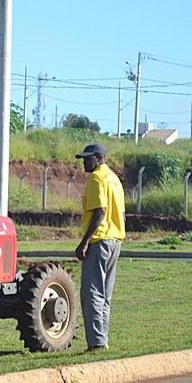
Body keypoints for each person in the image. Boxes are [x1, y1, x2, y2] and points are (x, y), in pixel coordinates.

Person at [74, 143, 126, 352]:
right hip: (115, 239)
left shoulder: (96, 178)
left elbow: (100, 212)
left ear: (99, 158)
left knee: (92, 292)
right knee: (105, 294)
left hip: (99, 239)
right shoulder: (114, 178)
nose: (84, 162)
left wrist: (85, 241)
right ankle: (102, 339)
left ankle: (96, 342)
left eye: (87, 158)